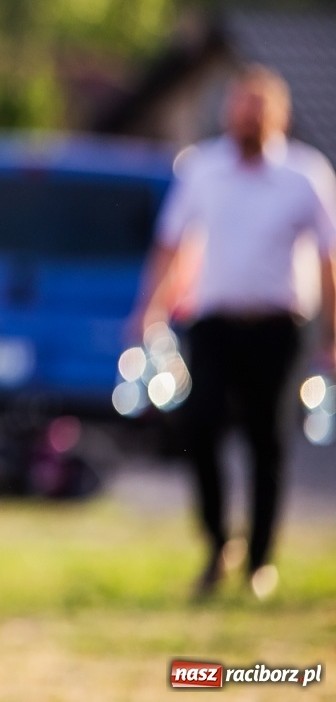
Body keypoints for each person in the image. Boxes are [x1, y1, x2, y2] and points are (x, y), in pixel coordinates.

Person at [132, 65, 336, 601]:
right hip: (214, 323)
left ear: (279, 116)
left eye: (257, 110)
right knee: (198, 427)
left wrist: (333, 332)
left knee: (268, 440)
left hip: (279, 326)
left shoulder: (305, 175)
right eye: (240, 108)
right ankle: (219, 543)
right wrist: (149, 308)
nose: (247, 119)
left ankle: (260, 562)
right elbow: (172, 245)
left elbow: (328, 258)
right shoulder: (202, 169)